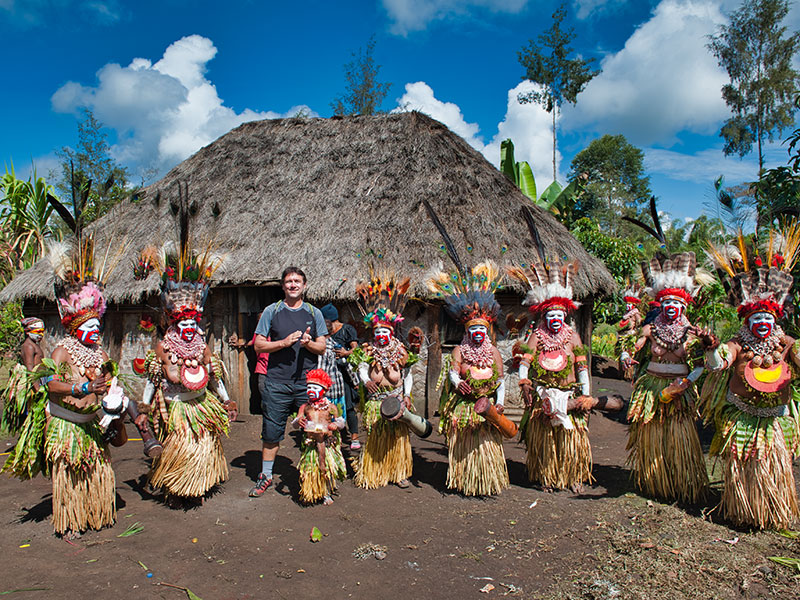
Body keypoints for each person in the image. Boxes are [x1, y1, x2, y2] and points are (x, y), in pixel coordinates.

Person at [3, 238, 128, 535]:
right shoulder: (61, 351)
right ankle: (72, 520)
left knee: (97, 471)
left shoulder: (100, 353)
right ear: (74, 326)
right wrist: (80, 389)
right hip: (69, 427)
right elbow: (49, 384)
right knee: (72, 474)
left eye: (98, 326)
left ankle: (95, 513)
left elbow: (110, 381)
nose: (96, 330)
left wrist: (114, 398)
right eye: (90, 326)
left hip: (92, 426)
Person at [702, 229, 800, 529]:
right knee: (743, 462)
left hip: (775, 418)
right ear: (746, 320)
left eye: (767, 319)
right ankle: (743, 510)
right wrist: (710, 348)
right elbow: (717, 364)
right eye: (755, 318)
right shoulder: (737, 345)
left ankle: (771, 511)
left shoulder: (787, 344)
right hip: (742, 416)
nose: (761, 323)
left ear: (776, 318)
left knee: (772, 464)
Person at [138, 244, 236, 501]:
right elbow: (154, 378)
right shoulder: (163, 346)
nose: (190, 328)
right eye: (185, 324)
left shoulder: (202, 345)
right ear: (176, 323)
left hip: (201, 403)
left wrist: (226, 400)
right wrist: (144, 406)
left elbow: (214, 376)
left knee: (202, 443)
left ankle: (197, 484)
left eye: (194, 323)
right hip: (176, 406)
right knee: (179, 443)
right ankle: (176, 486)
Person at [624, 252, 714, 504]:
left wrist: (685, 384)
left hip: (680, 392)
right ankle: (655, 481)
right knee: (652, 433)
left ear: (683, 306)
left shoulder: (691, 332)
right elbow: (633, 344)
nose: (671, 307)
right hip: (651, 388)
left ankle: (680, 482)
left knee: (678, 433)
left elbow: (700, 366)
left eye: (676, 304)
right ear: (660, 305)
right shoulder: (650, 329)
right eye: (667, 304)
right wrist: (625, 355)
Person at [508, 260, 594, 492]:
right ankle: (546, 476)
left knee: (570, 438)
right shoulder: (536, 337)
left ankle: (574, 477)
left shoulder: (574, 338)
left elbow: (582, 369)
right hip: (543, 393)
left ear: (565, 315)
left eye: (559, 315)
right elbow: (524, 362)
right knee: (546, 439)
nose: (555, 319)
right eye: (550, 315)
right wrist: (524, 382)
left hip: (569, 395)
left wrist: (586, 395)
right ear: (544, 316)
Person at [429, 261, 510, 496]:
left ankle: (486, 481)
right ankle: (464, 480)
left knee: (486, 442)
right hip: (464, 408)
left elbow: (501, 380)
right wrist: (457, 383)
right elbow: (453, 372)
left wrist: (501, 402)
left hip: (487, 407)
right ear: (467, 331)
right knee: (464, 444)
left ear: (486, 331)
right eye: (473, 330)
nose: (477, 333)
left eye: (481, 330)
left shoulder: (494, 352)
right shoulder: (459, 350)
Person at [249, 267, 328, 497]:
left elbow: (322, 347)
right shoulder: (271, 311)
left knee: (314, 431)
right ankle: (265, 476)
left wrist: (308, 344)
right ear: (283, 286)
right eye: (288, 281)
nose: (293, 285)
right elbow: (258, 345)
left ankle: (314, 479)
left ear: (304, 285)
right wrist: (283, 343)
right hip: (276, 383)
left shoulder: (314, 313)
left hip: (308, 386)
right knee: (271, 433)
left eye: (297, 281)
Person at [349, 273, 419, 489]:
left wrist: (407, 395)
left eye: (384, 332)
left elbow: (407, 374)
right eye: (377, 331)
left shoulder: (401, 351)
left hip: (397, 399)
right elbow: (360, 368)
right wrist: (364, 381)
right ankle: (375, 471)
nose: (380, 335)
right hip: (376, 402)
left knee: (398, 438)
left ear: (391, 332)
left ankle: (399, 473)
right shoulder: (367, 350)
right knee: (375, 436)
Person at [291, 369, 347, 505]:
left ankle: (327, 492)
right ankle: (311, 491)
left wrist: (335, 425)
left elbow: (341, 422)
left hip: (327, 442)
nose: (311, 390)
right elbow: (295, 423)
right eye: (309, 387)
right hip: (311, 442)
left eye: (315, 387)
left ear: (324, 390)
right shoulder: (305, 407)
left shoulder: (331, 407)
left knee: (326, 466)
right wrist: (298, 422)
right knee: (311, 467)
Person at [320, 303, 360, 450]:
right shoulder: (325, 336)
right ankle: (335, 434)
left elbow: (356, 349)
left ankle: (354, 436)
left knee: (348, 406)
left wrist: (345, 353)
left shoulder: (347, 330)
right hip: (330, 374)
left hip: (345, 373)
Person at [1, 316, 46, 433]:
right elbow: (30, 368)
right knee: (34, 414)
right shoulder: (28, 346)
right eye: (38, 332)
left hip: (41, 379)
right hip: (34, 383)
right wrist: (38, 389)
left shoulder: (35, 344)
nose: (41, 334)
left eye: (42, 331)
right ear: (28, 332)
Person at [614, 285, 644, 381]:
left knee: (629, 353)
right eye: (627, 304)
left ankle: (629, 374)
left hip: (630, 336)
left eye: (629, 304)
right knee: (622, 353)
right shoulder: (625, 314)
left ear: (634, 305)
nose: (627, 306)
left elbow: (640, 323)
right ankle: (621, 373)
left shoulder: (635, 314)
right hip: (623, 335)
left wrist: (636, 332)